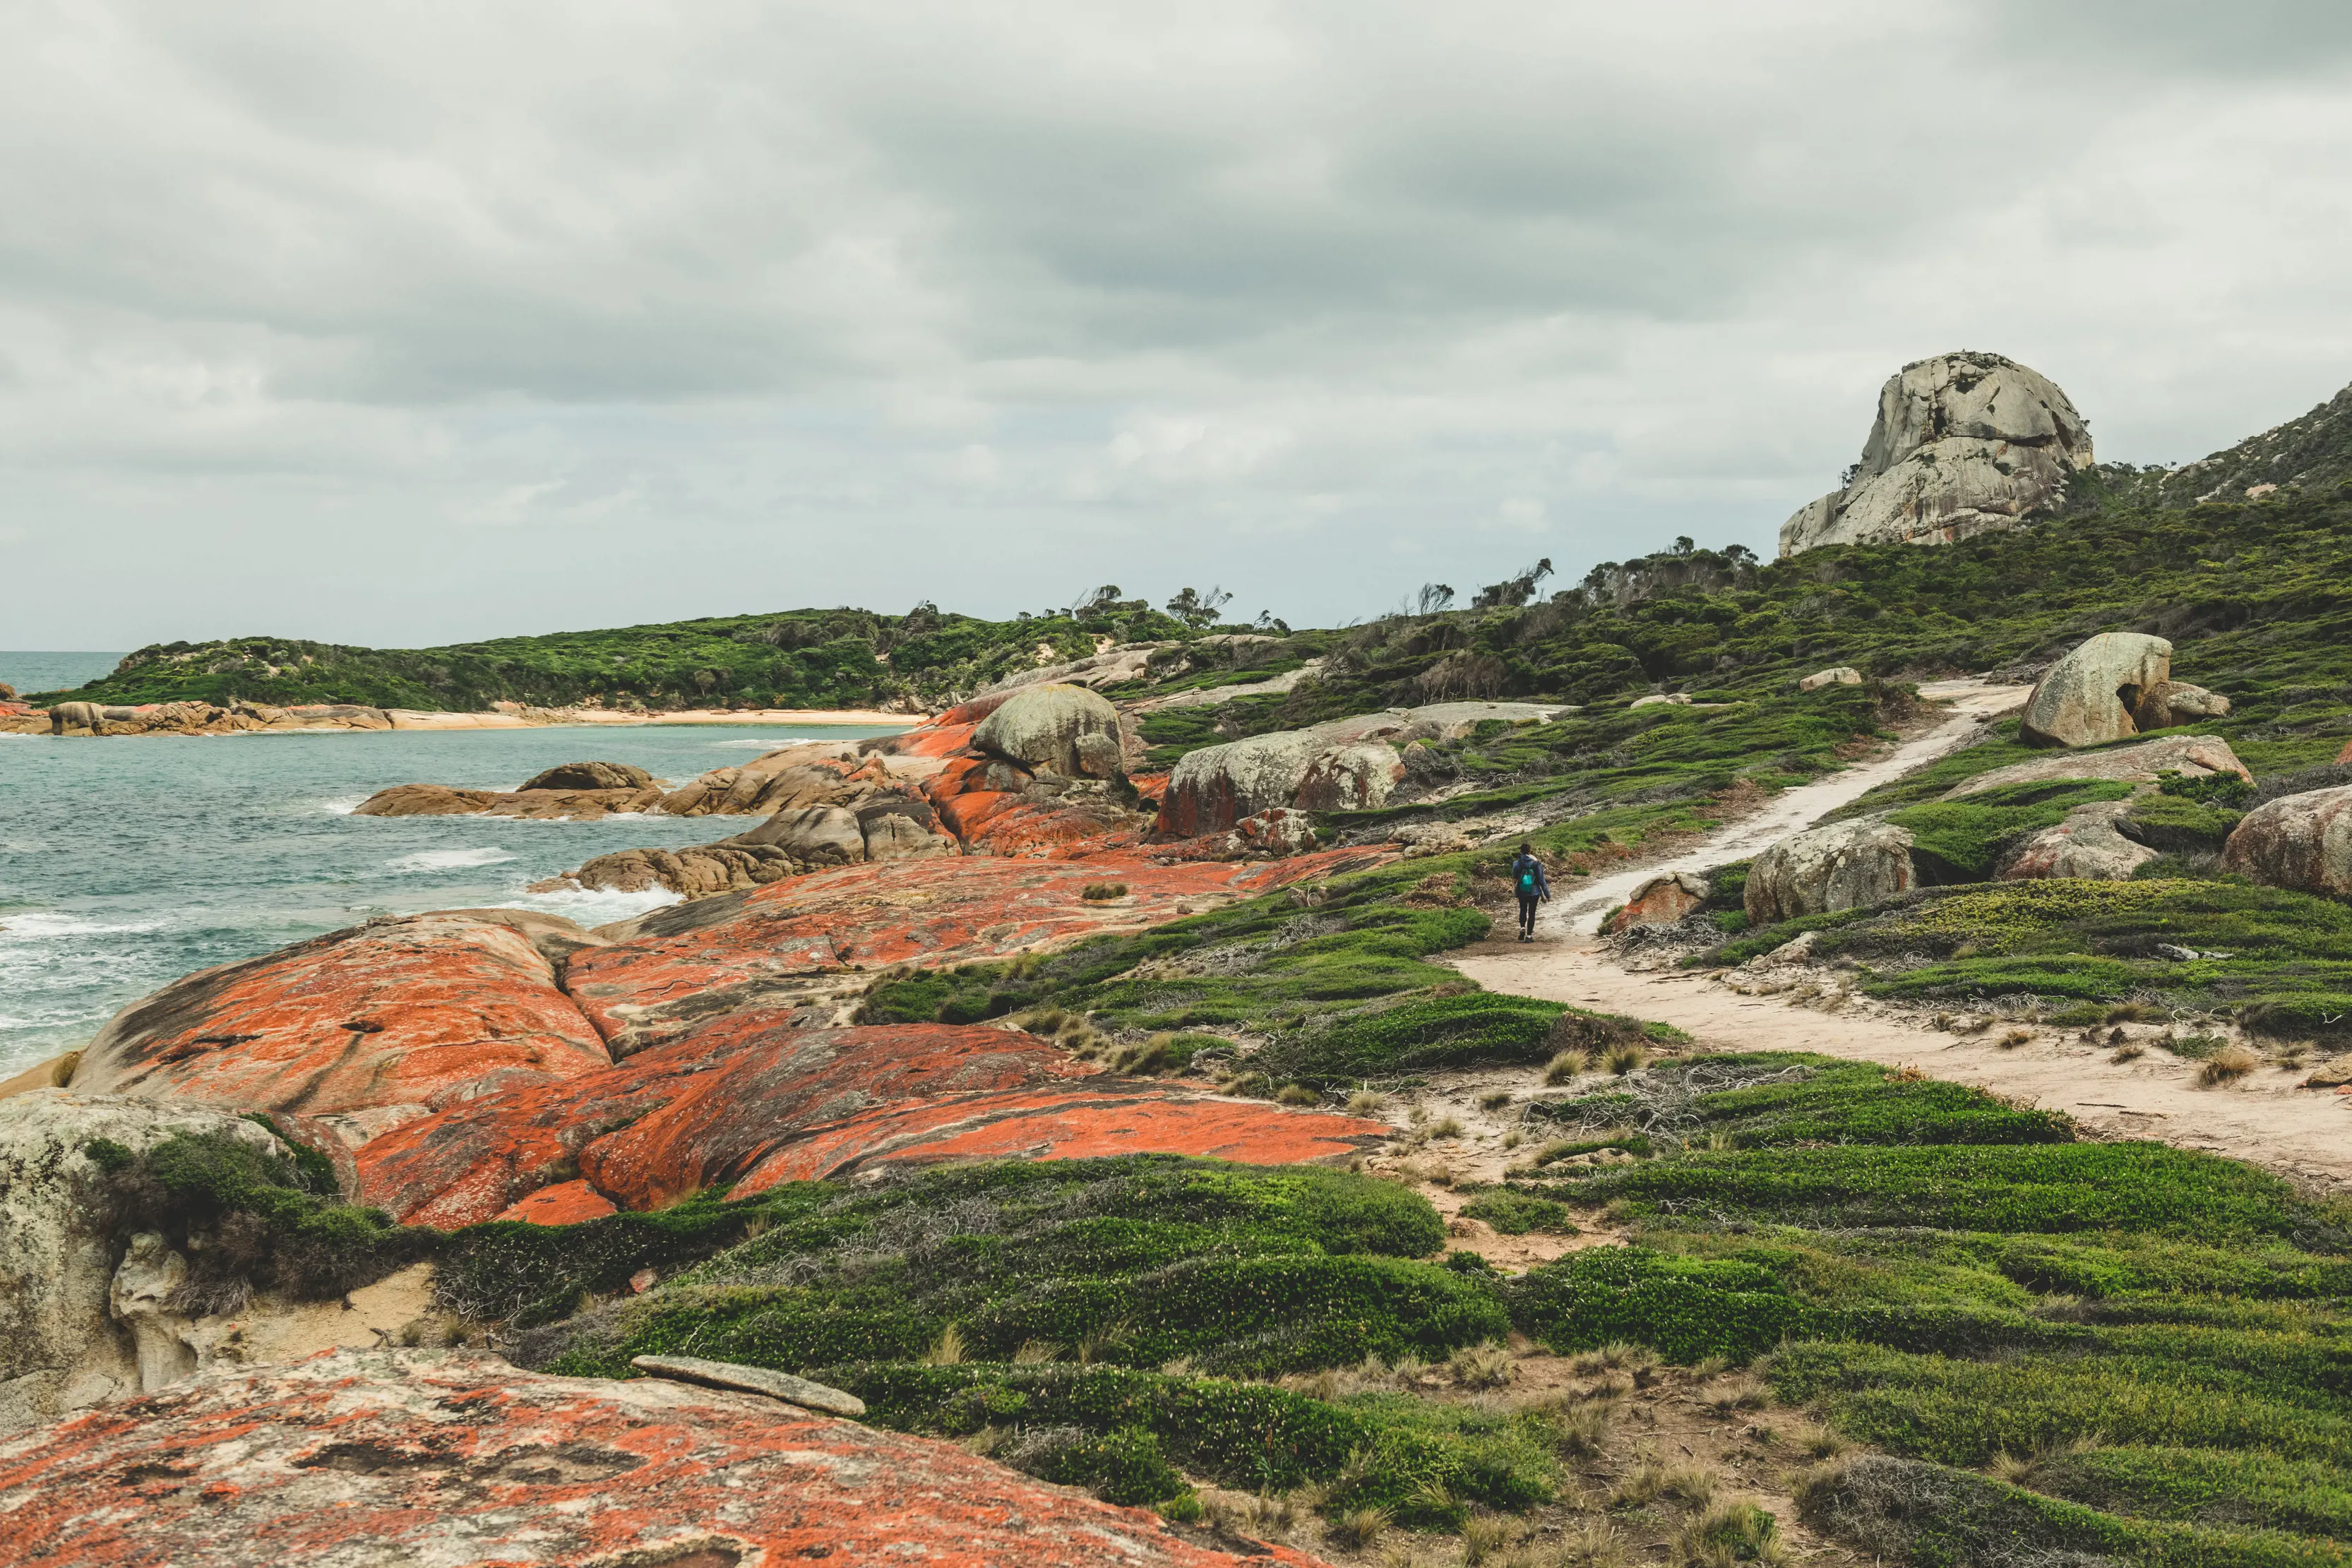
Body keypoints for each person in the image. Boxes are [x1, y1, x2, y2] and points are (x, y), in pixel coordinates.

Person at [1510, 842, 1550, 941]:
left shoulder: (1517, 863)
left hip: (1521, 890)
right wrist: (1547, 894)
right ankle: (1529, 936)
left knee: (1523, 909)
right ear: (1530, 851)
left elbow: (1515, 876)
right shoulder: (1536, 863)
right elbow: (1541, 880)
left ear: (1521, 851)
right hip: (1534, 892)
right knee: (1532, 913)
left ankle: (1522, 928)